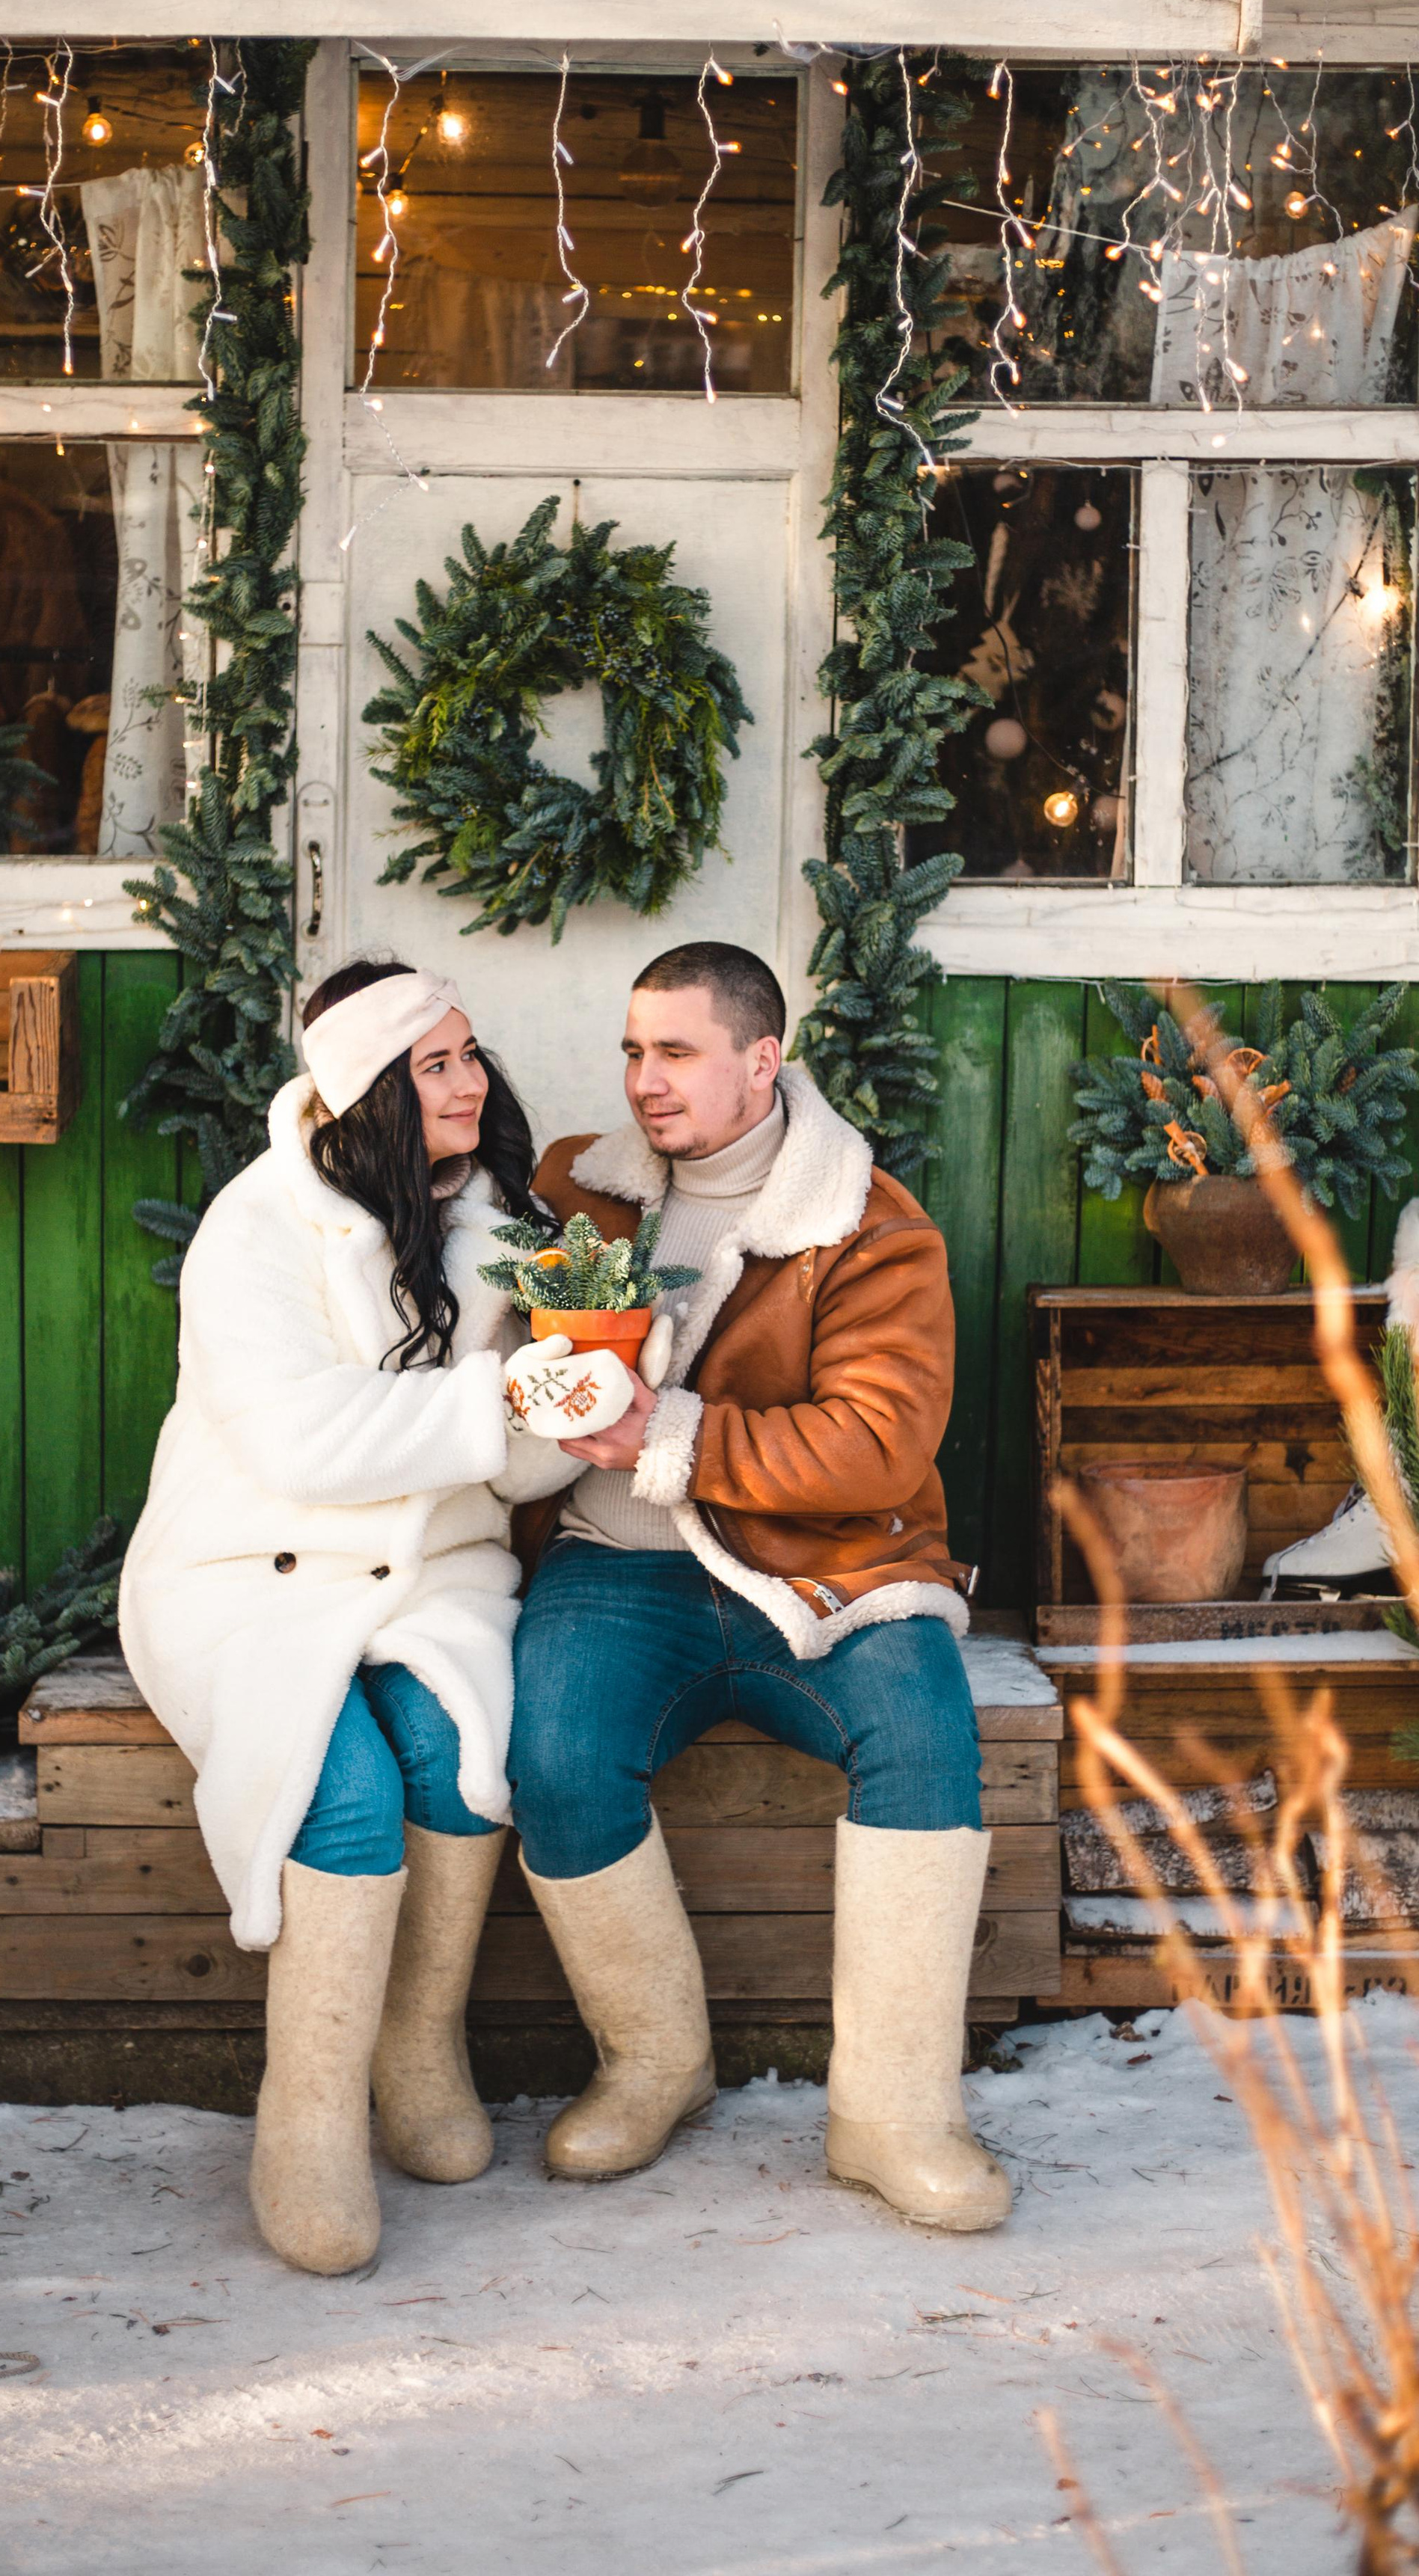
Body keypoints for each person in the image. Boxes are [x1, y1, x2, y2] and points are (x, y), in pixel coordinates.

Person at [119, 960, 616, 2276]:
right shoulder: (260, 1224)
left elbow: (514, 1469)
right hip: (248, 1572)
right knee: (337, 1795)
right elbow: (294, 1439)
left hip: (434, 1571)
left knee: (461, 1765)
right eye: (435, 1065)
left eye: (471, 1055)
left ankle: (415, 2046)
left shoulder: (503, 1224)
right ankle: (308, 2117)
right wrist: (494, 1405)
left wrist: (576, 1393)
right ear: (372, 1092)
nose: (470, 1083)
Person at [506, 939, 1011, 2233]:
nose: (645, 1081)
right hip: (619, 1566)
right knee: (553, 1756)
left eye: (676, 1053)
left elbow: (877, 1444)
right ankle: (656, 2063)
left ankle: (895, 2114)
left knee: (924, 1734)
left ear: (763, 1060)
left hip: (822, 1571)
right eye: (633, 1050)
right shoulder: (581, 1192)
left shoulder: (868, 1228)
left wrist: (665, 1435)